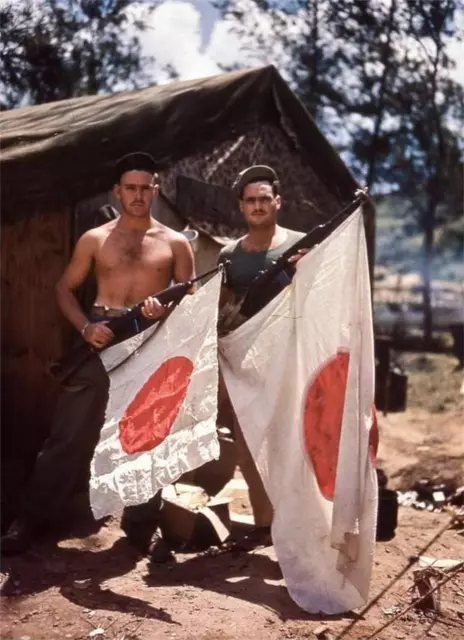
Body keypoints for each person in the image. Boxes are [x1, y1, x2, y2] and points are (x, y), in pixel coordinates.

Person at [1, 152, 195, 558]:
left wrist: (166, 312)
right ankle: (34, 519)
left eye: (146, 188)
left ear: (156, 190)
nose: (138, 195)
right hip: (100, 338)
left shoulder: (177, 243)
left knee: (146, 435)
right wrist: (86, 328)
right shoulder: (95, 238)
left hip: (150, 344)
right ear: (117, 191)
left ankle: (141, 526)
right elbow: (62, 290)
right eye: (131, 188)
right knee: (69, 434)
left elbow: (189, 300)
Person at [217, 165, 307, 546]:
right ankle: (263, 525)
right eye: (250, 200)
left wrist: (305, 270)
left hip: (292, 357)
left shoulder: (301, 245)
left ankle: (300, 524)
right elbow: (220, 311)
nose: (257, 205)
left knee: (294, 440)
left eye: (264, 199)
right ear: (241, 206)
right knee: (250, 442)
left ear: (277, 202)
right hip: (245, 362)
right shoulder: (230, 254)